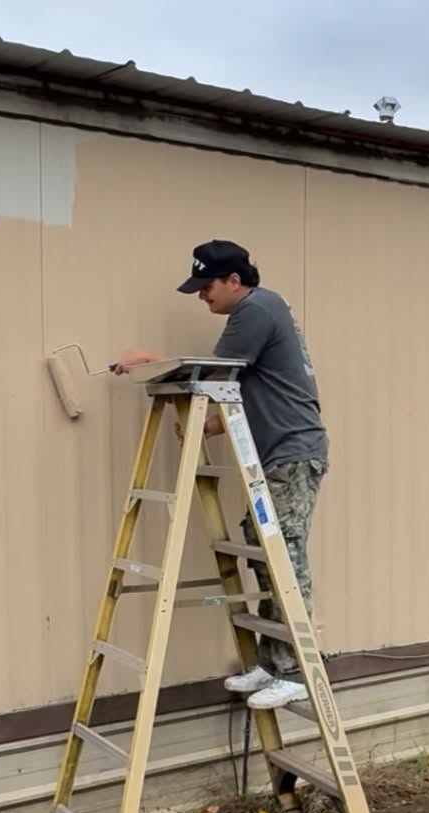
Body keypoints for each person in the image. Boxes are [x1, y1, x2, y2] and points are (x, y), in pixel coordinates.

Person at [115, 239, 329, 711]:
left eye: (206, 286)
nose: (202, 297)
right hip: (279, 452)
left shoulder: (254, 310)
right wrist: (213, 424)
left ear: (235, 281)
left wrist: (149, 361)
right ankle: (273, 663)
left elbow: (215, 373)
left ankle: (295, 669)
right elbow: (254, 385)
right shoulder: (264, 310)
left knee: (284, 554)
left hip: (292, 453)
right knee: (260, 544)